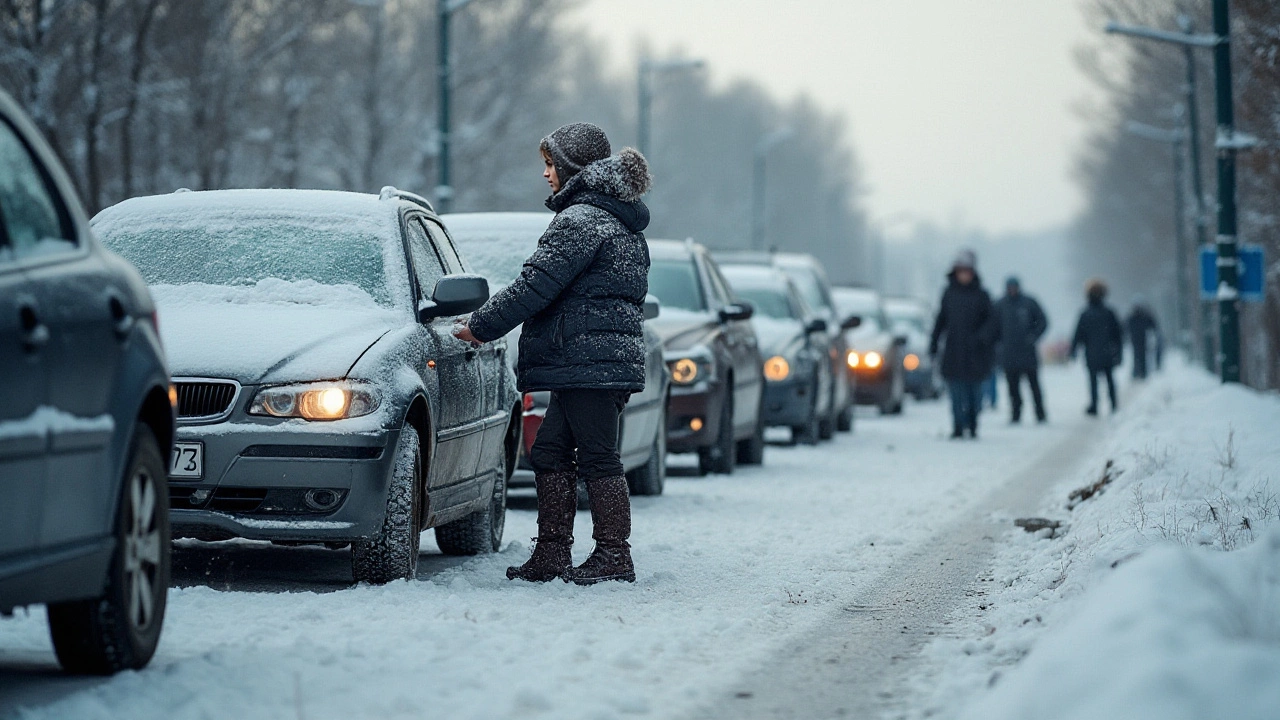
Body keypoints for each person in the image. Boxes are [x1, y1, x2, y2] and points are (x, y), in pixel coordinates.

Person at [453, 123, 652, 585]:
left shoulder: (581, 220)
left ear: (573, 168)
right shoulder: (616, 220)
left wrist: (480, 327)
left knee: (598, 457)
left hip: (590, 363)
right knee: (550, 451)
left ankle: (614, 556)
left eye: (550, 164)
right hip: (593, 361)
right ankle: (552, 553)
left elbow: (535, 286)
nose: (545, 174)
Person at [930, 250, 997, 439]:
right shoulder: (948, 294)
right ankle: (958, 426)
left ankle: (973, 423)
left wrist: (982, 338)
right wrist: (934, 343)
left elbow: (992, 322)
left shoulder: (982, 296)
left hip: (976, 354)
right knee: (956, 394)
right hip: (954, 352)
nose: (963, 275)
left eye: (966, 271)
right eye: (960, 271)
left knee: (975, 394)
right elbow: (940, 321)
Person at [994, 276, 1049, 424]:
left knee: (1034, 387)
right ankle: (1016, 414)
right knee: (1013, 389)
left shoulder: (1029, 303)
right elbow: (993, 328)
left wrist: (1033, 336)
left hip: (1028, 354)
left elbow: (1043, 321)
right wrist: (999, 344)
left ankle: (1040, 413)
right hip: (1009, 355)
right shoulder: (1000, 305)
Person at [1070, 279, 1123, 416]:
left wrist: (1073, 351)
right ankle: (1113, 405)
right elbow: (1118, 335)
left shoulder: (1085, 314)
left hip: (1092, 354)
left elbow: (1078, 335)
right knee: (1109, 380)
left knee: (1094, 382)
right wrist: (1118, 353)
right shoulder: (1109, 313)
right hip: (1106, 353)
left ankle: (1095, 406)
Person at [1126, 299, 1160, 380]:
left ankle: (1139, 372)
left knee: (1138, 356)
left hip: (1139, 339)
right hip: (1139, 339)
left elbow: (1126, 326)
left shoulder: (1138, 316)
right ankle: (1140, 372)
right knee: (1140, 356)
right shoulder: (1142, 316)